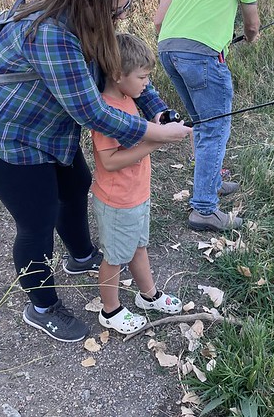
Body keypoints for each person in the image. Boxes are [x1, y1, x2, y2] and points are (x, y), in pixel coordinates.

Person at [0, 0, 191, 343]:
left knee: (75, 182)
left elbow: (130, 76)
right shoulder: (50, 33)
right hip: (2, 136)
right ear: (90, 2)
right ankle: (42, 307)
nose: (121, 17)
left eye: (125, 8)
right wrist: (152, 135)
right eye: (116, 10)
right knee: (37, 218)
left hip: (47, 133)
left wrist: (161, 114)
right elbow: (92, 112)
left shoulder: (94, 27)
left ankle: (81, 256)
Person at [153, 0, 260, 233]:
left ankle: (212, 182)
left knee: (202, 122)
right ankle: (204, 209)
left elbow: (159, 20)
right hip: (202, 56)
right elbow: (251, 23)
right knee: (215, 128)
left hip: (168, 49)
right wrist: (252, 38)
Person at [92, 33, 183, 334]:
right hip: (117, 201)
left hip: (137, 194)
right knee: (115, 258)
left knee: (138, 247)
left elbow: (141, 133)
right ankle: (110, 310)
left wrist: (161, 128)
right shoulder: (106, 111)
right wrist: (156, 142)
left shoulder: (128, 98)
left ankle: (149, 295)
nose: (147, 84)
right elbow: (110, 161)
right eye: (143, 77)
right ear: (118, 75)